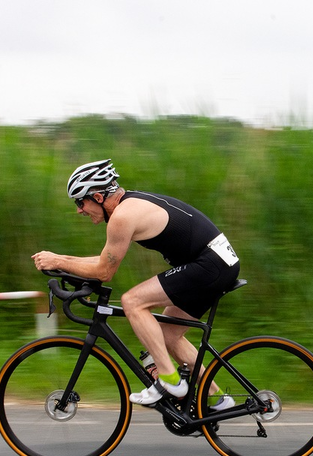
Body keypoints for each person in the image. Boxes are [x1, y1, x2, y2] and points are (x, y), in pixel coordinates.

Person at [32, 159, 240, 409]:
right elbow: (105, 260)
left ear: (97, 197)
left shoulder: (123, 215)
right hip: (217, 263)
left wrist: (59, 261)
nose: (79, 210)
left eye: (80, 202)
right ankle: (217, 400)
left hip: (211, 265)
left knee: (133, 301)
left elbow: (103, 272)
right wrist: (61, 260)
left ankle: (170, 381)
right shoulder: (129, 205)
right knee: (168, 335)